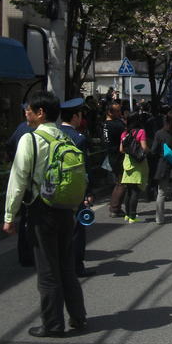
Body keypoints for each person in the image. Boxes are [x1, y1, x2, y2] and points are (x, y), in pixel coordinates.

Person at [3, 92, 87, 337]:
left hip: (42, 210)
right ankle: (78, 317)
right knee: (67, 267)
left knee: (48, 271)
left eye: (28, 110)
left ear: (41, 113)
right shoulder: (66, 136)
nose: (25, 115)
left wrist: (10, 215)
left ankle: (52, 324)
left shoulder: (31, 140)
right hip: (66, 210)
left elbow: (18, 179)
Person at [59, 98, 95, 277]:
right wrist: (88, 192)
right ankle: (76, 267)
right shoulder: (79, 139)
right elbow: (85, 169)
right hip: (75, 189)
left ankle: (60, 264)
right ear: (75, 117)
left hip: (54, 189)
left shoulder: (54, 134)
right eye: (80, 115)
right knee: (76, 230)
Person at [119, 113, 150, 223]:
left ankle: (127, 214)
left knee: (129, 190)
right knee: (136, 191)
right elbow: (144, 147)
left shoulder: (124, 133)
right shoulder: (141, 132)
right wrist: (148, 151)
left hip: (127, 163)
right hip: (138, 163)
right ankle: (133, 216)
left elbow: (121, 149)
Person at [102, 101, 126, 217]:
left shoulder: (106, 124)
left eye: (119, 110)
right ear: (109, 112)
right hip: (118, 156)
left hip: (111, 156)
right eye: (116, 111)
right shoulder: (116, 125)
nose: (119, 113)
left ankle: (115, 207)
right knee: (121, 183)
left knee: (119, 182)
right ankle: (115, 208)